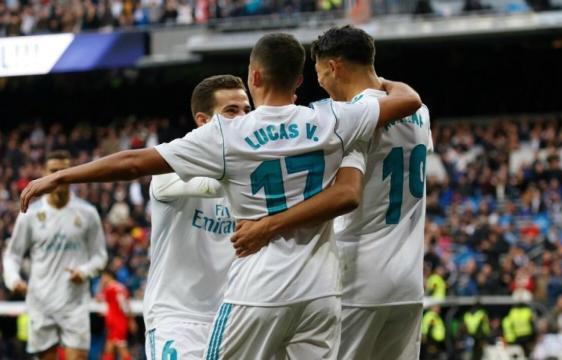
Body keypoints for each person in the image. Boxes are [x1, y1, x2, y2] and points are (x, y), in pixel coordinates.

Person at [19, 33, 422, 359]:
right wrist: (380, 81)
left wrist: (63, 177)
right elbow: (407, 102)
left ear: (255, 76)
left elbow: (132, 162)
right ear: (300, 80)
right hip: (321, 294)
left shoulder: (228, 137)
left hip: (259, 290)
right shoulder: (330, 118)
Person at [313, 25, 433, 360]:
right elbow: (406, 100)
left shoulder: (346, 116)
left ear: (333, 67)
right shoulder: (420, 113)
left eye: (320, 72)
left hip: (359, 279)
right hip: (408, 283)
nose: (320, 81)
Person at [143, 75, 250, 360]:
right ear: (203, 121)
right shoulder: (168, 168)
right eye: (231, 111)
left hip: (235, 315)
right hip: (177, 316)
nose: (242, 119)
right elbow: (214, 184)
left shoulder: (251, 168)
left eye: (246, 110)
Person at [4, 150, 108, 360]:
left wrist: (85, 271)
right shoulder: (30, 215)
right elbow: (12, 256)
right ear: (44, 173)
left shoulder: (87, 213)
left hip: (74, 302)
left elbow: (100, 256)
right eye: (53, 171)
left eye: (64, 171)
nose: (59, 176)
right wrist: (14, 280)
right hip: (41, 302)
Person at [100, 269, 134, 360]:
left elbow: (124, 306)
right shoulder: (121, 287)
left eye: (103, 276)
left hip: (117, 322)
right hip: (116, 321)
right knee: (109, 347)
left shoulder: (110, 288)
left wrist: (131, 320)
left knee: (121, 347)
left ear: (108, 276)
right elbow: (125, 305)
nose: (102, 279)